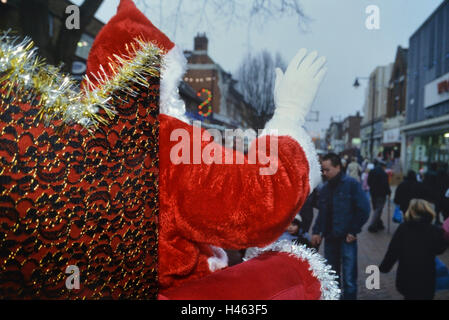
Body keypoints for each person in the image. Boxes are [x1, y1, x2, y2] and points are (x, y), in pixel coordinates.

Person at [311, 153, 370, 300]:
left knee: (349, 279)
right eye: (323, 170)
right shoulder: (324, 189)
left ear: (338, 167)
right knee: (332, 277)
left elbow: (364, 209)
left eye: (327, 170)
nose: (324, 173)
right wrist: (316, 231)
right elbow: (322, 214)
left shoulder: (352, 184)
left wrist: (353, 230)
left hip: (347, 238)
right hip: (330, 238)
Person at [379, 199, 449, 300]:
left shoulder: (403, 228)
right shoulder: (434, 230)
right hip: (426, 276)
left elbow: (393, 251)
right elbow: (439, 250)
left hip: (406, 275)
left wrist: (384, 267)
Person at [367, 160, 391, 232]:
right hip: (381, 194)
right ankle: (372, 225)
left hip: (373, 193)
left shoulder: (372, 171)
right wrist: (388, 192)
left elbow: (368, 182)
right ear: (383, 166)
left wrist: (372, 187)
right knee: (378, 209)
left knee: (376, 209)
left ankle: (379, 223)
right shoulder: (384, 174)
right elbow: (385, 185)